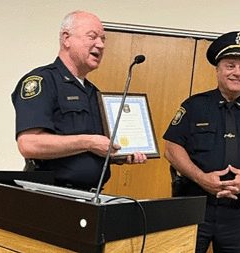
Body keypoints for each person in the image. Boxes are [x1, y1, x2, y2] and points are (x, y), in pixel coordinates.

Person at [163, 31, 240, 253]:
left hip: (238, 215)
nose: (237, 72)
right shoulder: (194, 106)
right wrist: (202, 179)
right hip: (194, 209)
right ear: (218, 69)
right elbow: (171, 149)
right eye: (230, 65)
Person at [11, 10, 147, 190]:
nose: (100, 45)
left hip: (90, 196)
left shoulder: (93, 92)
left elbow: (90, 152)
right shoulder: (43, 82)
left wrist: (119, 154)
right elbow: (29, 144)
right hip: (51, 194)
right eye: (93, 37)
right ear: (66, 38)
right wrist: (89, 143)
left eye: (103, 39)